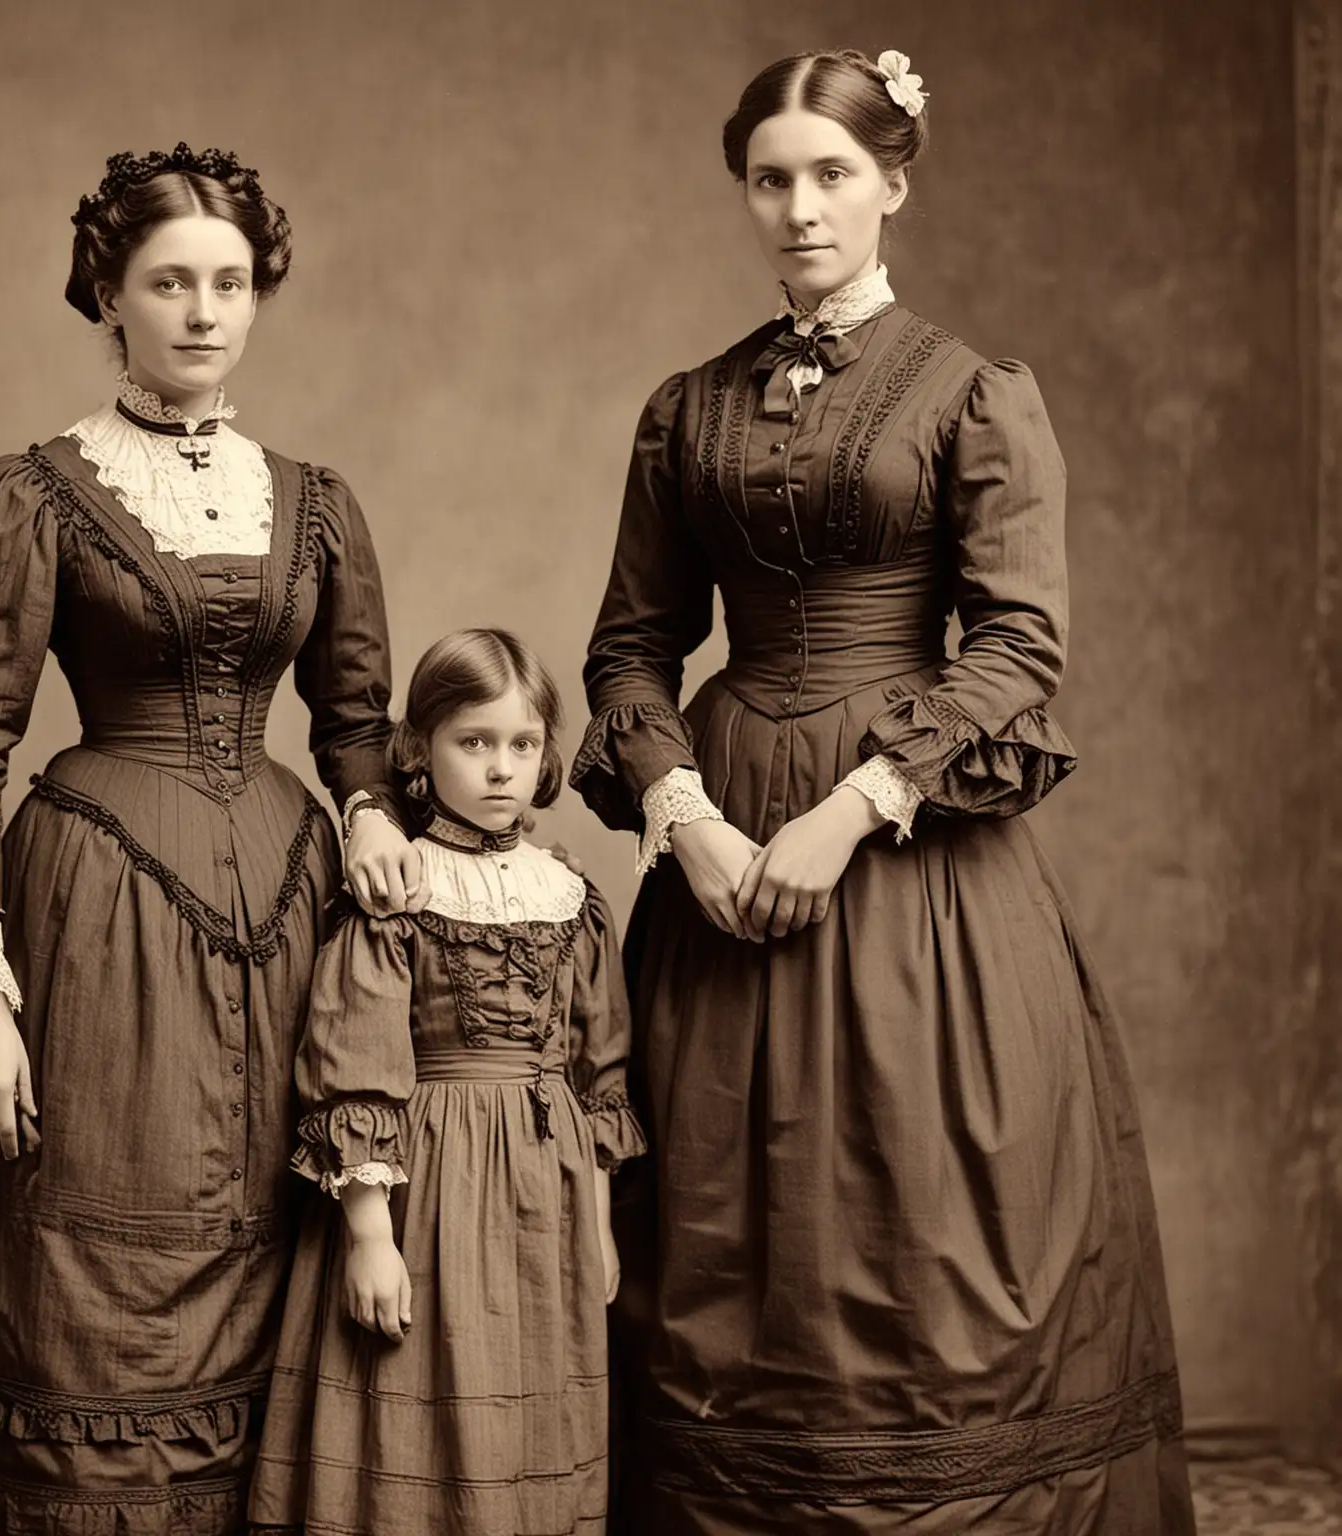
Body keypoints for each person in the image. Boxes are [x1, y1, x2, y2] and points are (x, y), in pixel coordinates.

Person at [570, 50, 1195, 1534]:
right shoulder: (687, 408)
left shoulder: (975, 391)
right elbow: (631, 647)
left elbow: (1022, 643)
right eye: (771, 180)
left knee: (918, 1208)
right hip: (721, 867)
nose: (799, 209)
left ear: (894, 184)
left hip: (910, 865)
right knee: (729, 1217)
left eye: (832, 175)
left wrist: (852, 810)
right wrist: (688, 819)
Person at [0, 144, 421, 1535]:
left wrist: (365, 806)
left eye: (230, 282)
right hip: (96, 935)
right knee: (77, 1291)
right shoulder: (37, 492)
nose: (202, 310)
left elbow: (356, 718)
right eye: (169, 281)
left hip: (290, 936)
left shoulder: (313, 500)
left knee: (277, 1267)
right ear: (108, 298)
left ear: (260, 297)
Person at [249, 628, 645, 1536]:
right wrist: (368, 1238)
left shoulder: (572, 897)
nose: (501, 768)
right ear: (421, 749)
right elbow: (356, 1062)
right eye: (474, 742)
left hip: (547, 1196)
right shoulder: (397, 888)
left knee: (533, 1406)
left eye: (522, 744)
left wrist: (600, 1224)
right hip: (427, 1187)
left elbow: (598, 1074)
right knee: (417, 1395)